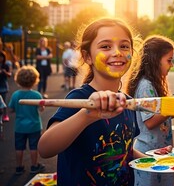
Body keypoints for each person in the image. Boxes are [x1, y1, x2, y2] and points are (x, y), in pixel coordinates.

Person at [38, 18, 145, 185]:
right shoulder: (80, 99)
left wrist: (153, 160)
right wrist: (86, 115)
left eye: (124, 46)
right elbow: (45, 148)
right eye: (105, 46)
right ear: (87, 56)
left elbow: (126, 148)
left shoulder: (128, 103)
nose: (117, 52)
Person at [127, 35, 174, 186]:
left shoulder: (153, 84)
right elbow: (150, 122)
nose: (172, 65)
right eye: (169, 60)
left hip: (160, 150)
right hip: (148, 152)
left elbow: (159, 116)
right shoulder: (146, 86)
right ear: (155, 60)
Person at [9, 66, 45, 175]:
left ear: (18, 79)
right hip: (34, 126)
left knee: (19, 147)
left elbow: (11, 108)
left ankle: (19, 167)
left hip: (20, 126)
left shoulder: (15, 95)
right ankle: (34, 166)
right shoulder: (36, 95)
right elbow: (41, 109)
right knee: (34, 147)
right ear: (34, 80)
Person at [0, 51, 11, 122]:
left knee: (3, 102)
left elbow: (9, 75)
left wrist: (4, 72)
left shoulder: (6, 65)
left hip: (3, 85)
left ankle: (5, 115)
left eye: (1, 57)